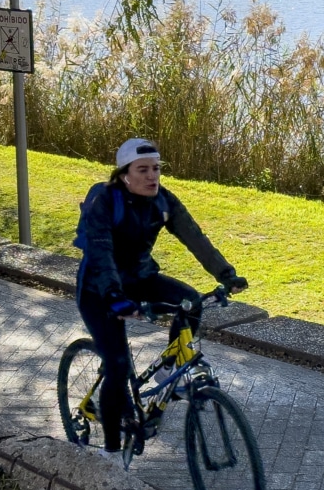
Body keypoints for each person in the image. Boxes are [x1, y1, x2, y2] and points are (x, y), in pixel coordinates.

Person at [74, 138, 247, 463]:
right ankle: (110, 453)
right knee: (119, 365)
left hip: (140, 278)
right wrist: (115, 297)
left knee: (191, 301)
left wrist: (225, 274)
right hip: (99, 290)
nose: (152, 176)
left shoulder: (163, 201)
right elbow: (101, 252)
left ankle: (168, 368)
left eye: (156, 169)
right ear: (124, 174)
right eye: (143, 170)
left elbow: (194, 237)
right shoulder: (105, 202)